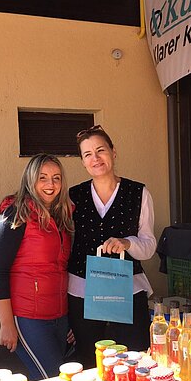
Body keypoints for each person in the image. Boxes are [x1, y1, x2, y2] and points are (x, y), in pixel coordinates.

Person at [68, 124, 157, 367]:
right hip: (82, 291)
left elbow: (149, 245)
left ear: (113, 152)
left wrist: (127, 243)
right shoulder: (73, 196)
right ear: (83, 162)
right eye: (88, 154)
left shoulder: (138, 193)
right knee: (90, 361)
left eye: (101, 150)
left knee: (134, 358)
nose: (95, 158)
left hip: (127, 289)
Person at [0, 154, 73, 380]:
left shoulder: (61, 216)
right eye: (42, 177)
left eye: (56, 178)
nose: (50, 184)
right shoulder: (16, 215)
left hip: (59, 315)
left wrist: (69, 319)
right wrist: (6, 324)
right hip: (28, 318)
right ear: (30, 180)